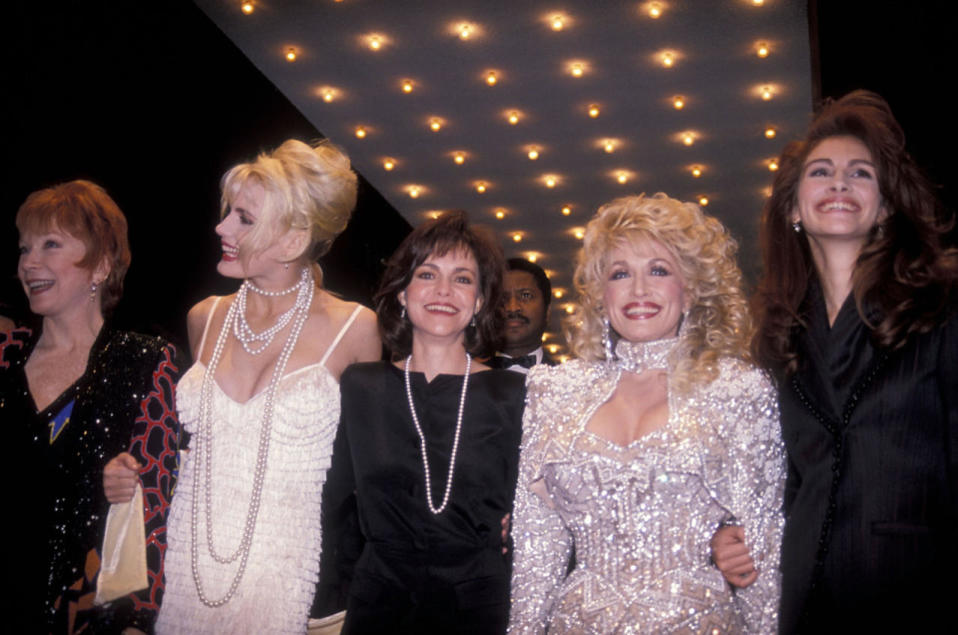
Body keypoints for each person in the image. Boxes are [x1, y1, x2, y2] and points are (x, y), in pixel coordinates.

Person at [103, 139, 380, 632]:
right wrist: (132, 471)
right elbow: (179, 448)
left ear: (294, 239)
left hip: (285, 570)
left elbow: (371, 473)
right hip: (185, 553)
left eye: (245, 219)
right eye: (229, 212)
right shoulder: (203, 318)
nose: (222, 227)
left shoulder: (354, 329)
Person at [508, 193, 785, 633]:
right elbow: (538, 543)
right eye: (621, 274)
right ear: (601, 294)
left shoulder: (738, 389)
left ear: (691, 287)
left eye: (659, 270)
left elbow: (760, 550)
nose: (639, 290)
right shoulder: (553, 389)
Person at [745, 90, 958, 633]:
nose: (839, 182)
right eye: (821, 171)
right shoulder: (774, 338)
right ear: (793, 208)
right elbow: (776, 482)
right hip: (807, 592)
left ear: (885, 207)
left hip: (918, 586)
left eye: (860, 173)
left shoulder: (942, 311)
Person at [319, 211, 526, 633]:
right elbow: (330, 501)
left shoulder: (515, 395)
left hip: (478, 607)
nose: (444, 291)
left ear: (481, 301)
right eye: (428, 274)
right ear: (402, 292)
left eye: (463, 279)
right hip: (378, 602)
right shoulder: (361, 387)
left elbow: (541, 504)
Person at [2, 180, 180, 633]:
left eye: (51, 244)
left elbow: (156, 505)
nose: (29, 263)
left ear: (100, 265)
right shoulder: (5, 353)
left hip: (85, 612)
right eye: (24, 248)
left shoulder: (145, 361)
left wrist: (139, 619)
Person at [490, 258, 557, 373]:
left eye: (526, 296)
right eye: (502, 298)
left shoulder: (568, 383)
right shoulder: (468, 380)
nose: (512, 308)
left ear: (547, 311)